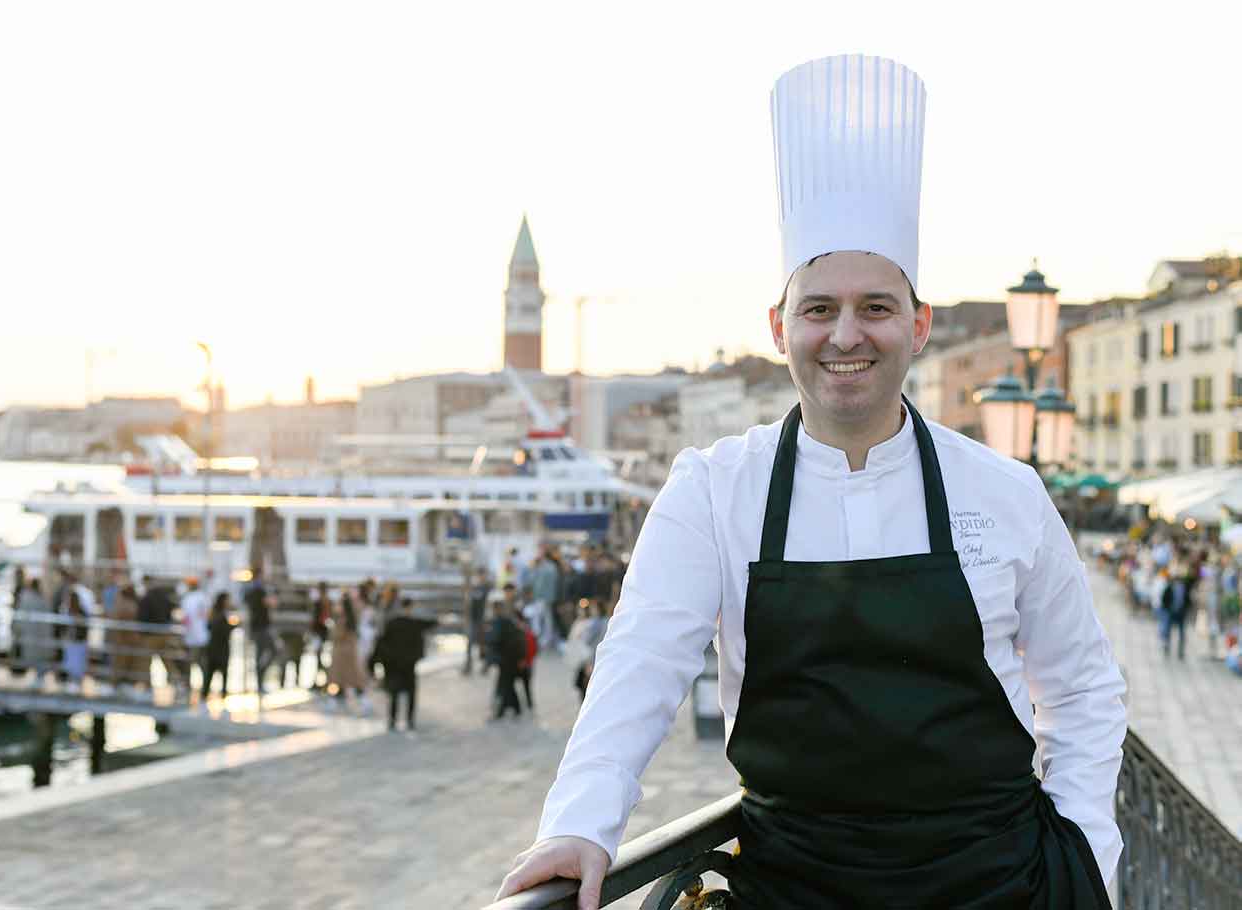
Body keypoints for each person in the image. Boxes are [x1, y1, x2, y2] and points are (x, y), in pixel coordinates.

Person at [497, 55, 1126, 910]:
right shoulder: (712, 490)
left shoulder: (1005, 491)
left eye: (875, 307)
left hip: (1001, 885)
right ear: (777, 325)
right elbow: (640, 664)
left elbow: (1082, 686)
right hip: (796, 889)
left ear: (919, 325)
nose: (845, 335)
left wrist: (1086, 850)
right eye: (818, 308)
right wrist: (577, 824)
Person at [370, 597, 437, 731]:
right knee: (410, 692)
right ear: (411, 607)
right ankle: (410, 720)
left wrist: (376, 661)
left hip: (394, 664)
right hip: (408, 664)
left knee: (394, 693)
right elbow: (433, 622)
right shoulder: (414, 623)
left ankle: (393, 720)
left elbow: (382, 642)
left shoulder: (392, 622)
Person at [486, 585, 526, 720]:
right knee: (507, 684)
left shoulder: (506, 621)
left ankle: (502, 711)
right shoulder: (502, 621)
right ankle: (514, 708)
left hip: (508, 658)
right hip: (507, 658)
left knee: (505, 685)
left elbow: (503, 640)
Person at [328, 592, 371, 715]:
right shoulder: (353, 617)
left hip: (343, 653)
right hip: (350, 652)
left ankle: (360, 703)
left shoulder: (343, 619)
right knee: (350, 680)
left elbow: (336, 635)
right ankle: (357, 702)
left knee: (343, 678)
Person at [244, 567, 275, 695]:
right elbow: (270, 603)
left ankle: (259, 681)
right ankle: (259, 681)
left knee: (262, 653)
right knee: (268, 652)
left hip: (257, 626)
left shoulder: (250, 589)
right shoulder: (259, 590)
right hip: (261, 627)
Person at [179, 577, 209, 699]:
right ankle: (203, 687)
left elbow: (186, 618)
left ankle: (191, 686)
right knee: (200, 663)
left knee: (192, 662)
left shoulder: (189, 599)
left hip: (194, 635)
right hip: (201, 635)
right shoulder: (202, 597)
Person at [203, 592, 234, 700]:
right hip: (220, 648)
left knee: (210, 673)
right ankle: (221, 693)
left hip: (213, 647)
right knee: (218, 672)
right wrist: (232, 626)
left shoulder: (214, 613)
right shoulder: (221, 615)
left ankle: (206, 693)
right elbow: (223, 630)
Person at [462, 567, 491, 675]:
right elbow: (468, 604)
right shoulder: (474, 588)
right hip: (474, 619)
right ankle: (468, 665)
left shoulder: (487, 588)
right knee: (470, 642)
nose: (481, 577)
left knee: (484, 644)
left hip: (483, 619)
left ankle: (486, 665)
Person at [309, 581, 333, 690]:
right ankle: (323, 680)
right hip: (321, 632)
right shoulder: (325, 602)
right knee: (319, 658)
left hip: (320, 632)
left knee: (319, 658)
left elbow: (320, 619)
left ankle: (326, 679)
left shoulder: (322, 602)